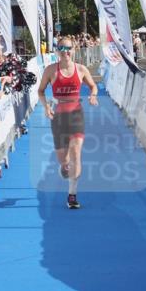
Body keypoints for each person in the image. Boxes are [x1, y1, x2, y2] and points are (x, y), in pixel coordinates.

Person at [37, 37, 99, 210]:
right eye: (61, 48)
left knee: (76, 151)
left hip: (76, 114)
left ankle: (72, 195)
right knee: (63, 159)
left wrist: (93, 95)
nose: (65, 51)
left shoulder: (81, 69)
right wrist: (45, 106)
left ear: (74, 49)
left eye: (68, 48)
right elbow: (40, 90)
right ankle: (65, 166)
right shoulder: (50, 70)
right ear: (57, 50)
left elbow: (94, 86)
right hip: (58, 116)